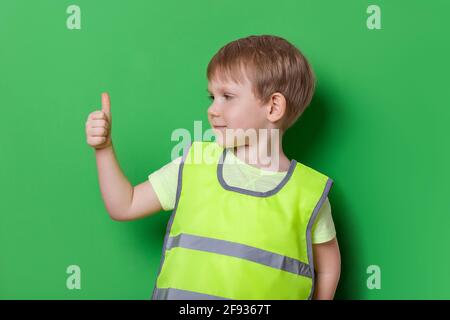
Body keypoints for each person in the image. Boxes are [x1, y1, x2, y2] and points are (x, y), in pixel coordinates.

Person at [85, 34, 341, 300]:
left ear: (274, 106)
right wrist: (104, 149)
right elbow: (124, 204)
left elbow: (329, 265)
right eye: (212, 97)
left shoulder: (309, 194)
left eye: (227, 96)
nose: (213, 109)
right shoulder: (194, 165)